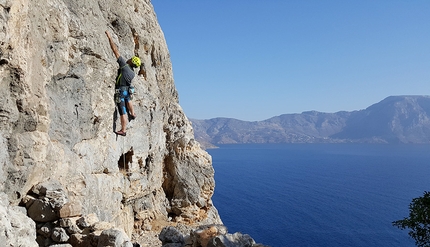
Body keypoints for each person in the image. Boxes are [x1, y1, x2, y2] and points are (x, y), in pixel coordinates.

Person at [105, 30, 141, 136]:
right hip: (126, 91)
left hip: (120, 91)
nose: (129, 58)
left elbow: (115, 50)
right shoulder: (132, 73)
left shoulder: (124, 66)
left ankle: (123, 130)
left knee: (122, 111)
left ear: (131, 61)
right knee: (128, 100)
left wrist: (110, 37)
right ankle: (133, 113)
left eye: (131, 59)